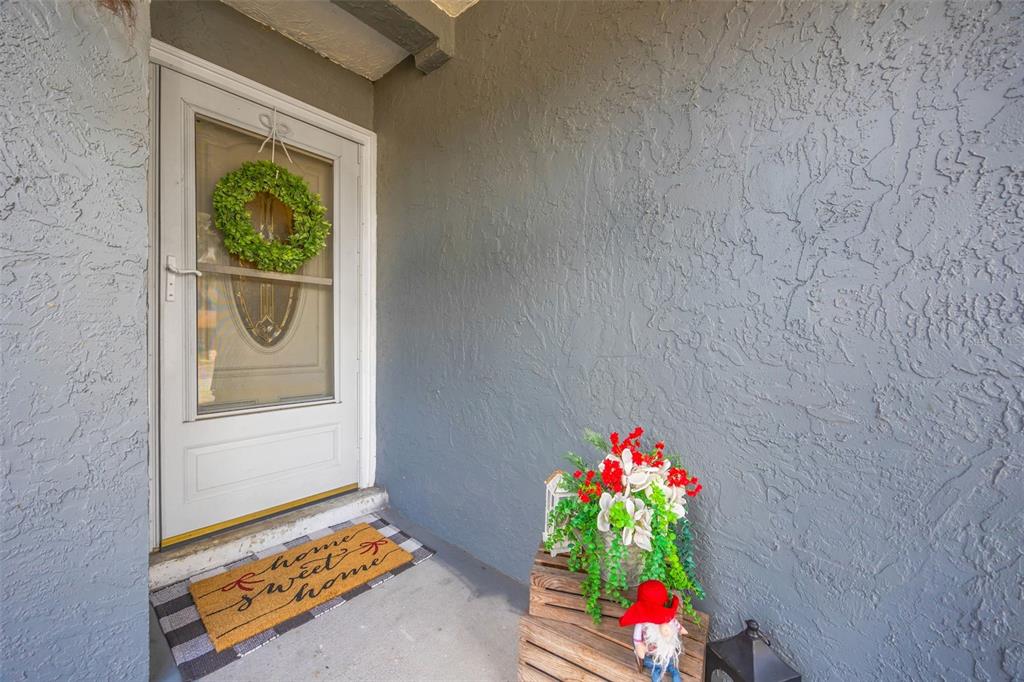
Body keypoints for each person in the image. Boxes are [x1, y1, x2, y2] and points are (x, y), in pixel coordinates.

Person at [618, 580, 688, 682]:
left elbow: (676, 624)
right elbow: (637, 640)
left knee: (672, 666)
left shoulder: (668, 618)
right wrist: (639, 647)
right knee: (655, 668)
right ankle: (659, 668)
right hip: (651, 653)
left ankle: (670, 667)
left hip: (667, 651)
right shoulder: (642, 624)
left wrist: (681, 629)